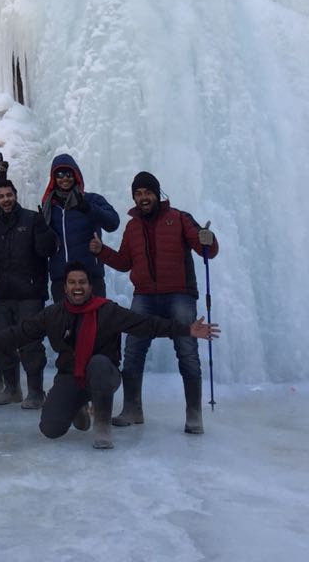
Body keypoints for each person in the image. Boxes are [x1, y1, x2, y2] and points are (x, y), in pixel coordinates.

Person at [0, 262, 219, 448]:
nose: (78, 287)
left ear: (90, 286)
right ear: (65, 287)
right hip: (71, 377)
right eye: (72, 283)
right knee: (50, 429)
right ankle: (76, 405)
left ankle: (102, 426)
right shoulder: (53, 314)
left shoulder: (107, 311)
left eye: (82, 283)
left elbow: (147, 324)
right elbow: (19, 333)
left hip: (104, 375)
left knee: (98, 363)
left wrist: (186, 329)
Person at [93, 171, 219, 434]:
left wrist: (210, 240)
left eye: (147, 193)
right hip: (145, 295)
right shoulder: (132, 226)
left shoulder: (180, 218)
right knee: (133, 351)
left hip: (180, 295)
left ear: (157, 194)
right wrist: (101, 252)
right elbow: (125, 263)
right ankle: (132, 409)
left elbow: (207, 250)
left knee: (187, 351)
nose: (143, 198)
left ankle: (194, 414)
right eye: (138, 194)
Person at [0, 173, 57, 408]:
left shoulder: (32, 219)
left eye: (9, 195)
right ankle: (12, 388)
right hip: (3, 296)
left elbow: (46, 250)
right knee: (0, 341)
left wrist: (45, 230)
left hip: (30, 294)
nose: (6, 199)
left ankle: (36, 392)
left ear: (16, 196)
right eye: (1, 196)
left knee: (30, 343)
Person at [40, 154, 120, 298]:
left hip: (90, 276)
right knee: (64, 321)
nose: (64, 178)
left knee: (96, 320)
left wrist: (87, 207)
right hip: (61, 278)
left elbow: (113, 222)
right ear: (54, 178)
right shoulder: (49, 206)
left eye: (69, 173)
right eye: (59, 174)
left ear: (76, 175)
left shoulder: (92, 199)